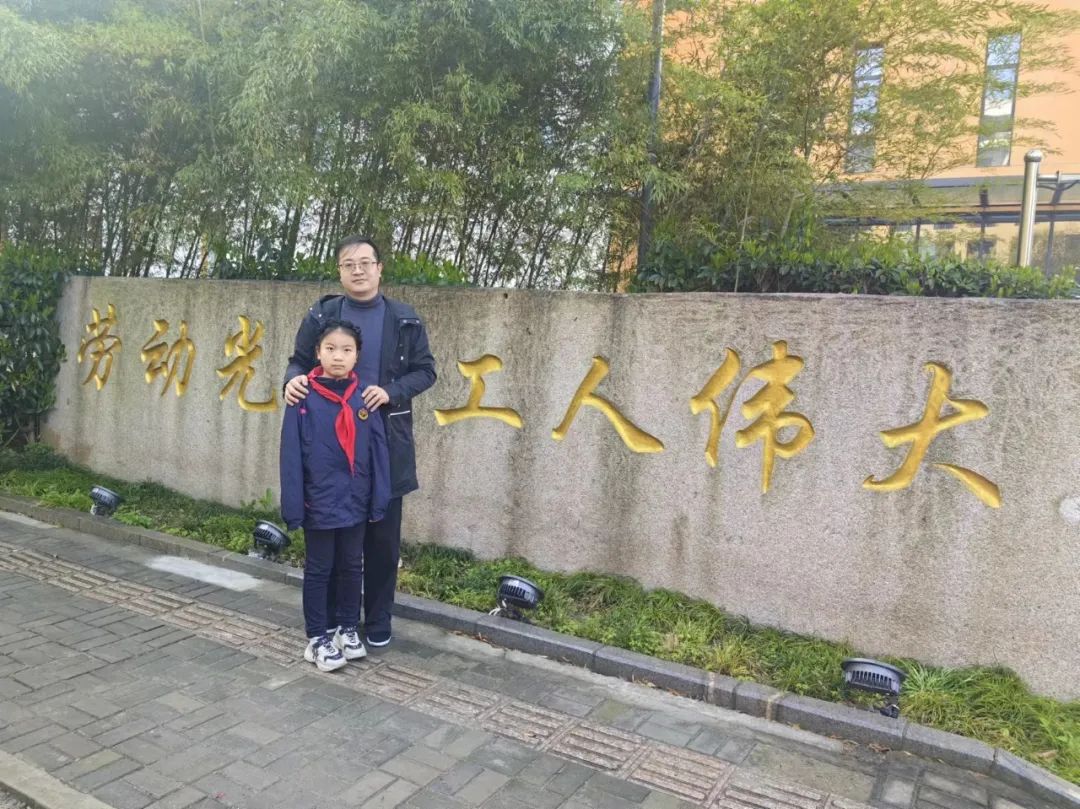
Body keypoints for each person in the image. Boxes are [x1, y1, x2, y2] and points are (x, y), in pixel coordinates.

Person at [284, 235, 436, 648]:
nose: (358, 270)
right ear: (340, 271)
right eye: (348, 263)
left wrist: (391, 392)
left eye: (365, 262)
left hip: (385, 442)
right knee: (336, 536)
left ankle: (378, 619)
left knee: (382, 540)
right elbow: (299, 360)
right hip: (330, 447)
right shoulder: (323, 313)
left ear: (379, 269)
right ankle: (338, 620)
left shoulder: (404, 319)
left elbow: (426, 371)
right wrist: (292, 381)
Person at [280, 320, 391, 671]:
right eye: (330, 349)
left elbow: (378, 452)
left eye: (346, 350)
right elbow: (290, 455)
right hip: (319, 501)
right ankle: (317, 637)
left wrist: (378, 499)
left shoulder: (364, 397)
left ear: (357, 355)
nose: (338, 357)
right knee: (319, 569)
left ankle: (347, 627)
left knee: (352, 566)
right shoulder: (301, 396)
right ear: (317, 353)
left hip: (355, 500)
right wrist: (294, 506)